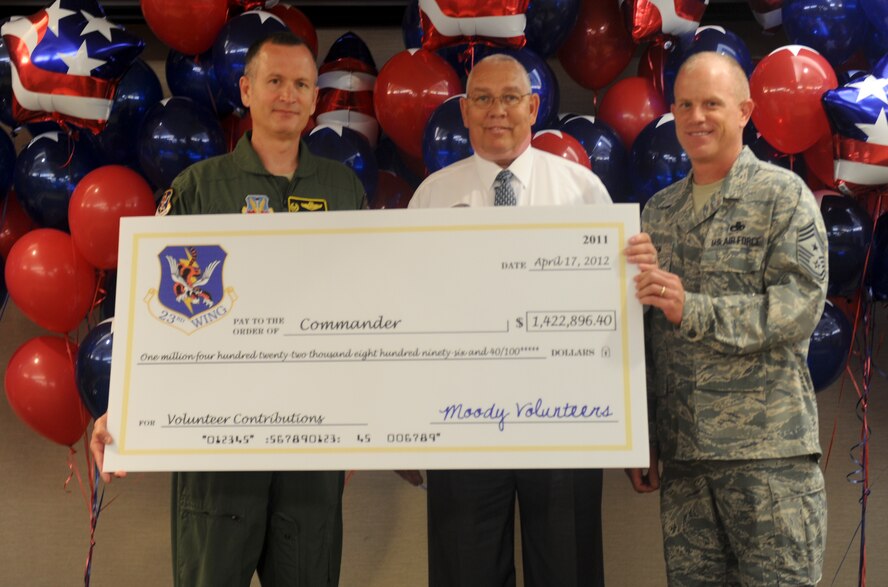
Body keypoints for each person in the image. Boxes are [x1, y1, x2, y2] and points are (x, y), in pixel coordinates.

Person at [90, 32, 365, 587]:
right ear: (246, 89)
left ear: (316, 99)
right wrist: (119, 408)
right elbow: (151, 318)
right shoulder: (199, 189)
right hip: (217, 443)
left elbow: (369, 309)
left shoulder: (342, 191)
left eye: (302, 84)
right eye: (275, 81)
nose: (288, 94)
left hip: (310, 441)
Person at [407, 54, 611, 587]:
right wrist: (405, 428)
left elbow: (610, 319)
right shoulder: (431, 198)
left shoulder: (583, 194)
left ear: (534, 107)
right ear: (466, 112)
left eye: (510, 98)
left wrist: (625, 425)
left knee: (568, 570)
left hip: (565, 424)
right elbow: (410, 317)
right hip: (461, 426)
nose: (497, 110)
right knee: (464, 572)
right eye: (482, 98)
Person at [624, 51, 828, 585]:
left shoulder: (783, 198)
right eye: (685, 105)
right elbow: (643, 335)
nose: (696, 118)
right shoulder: (657, 214)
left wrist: (691, 307)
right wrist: (640, 433)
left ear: (744, 111)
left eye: (711, 104)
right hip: (686, 463)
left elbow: (795, 310)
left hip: (769, 460)